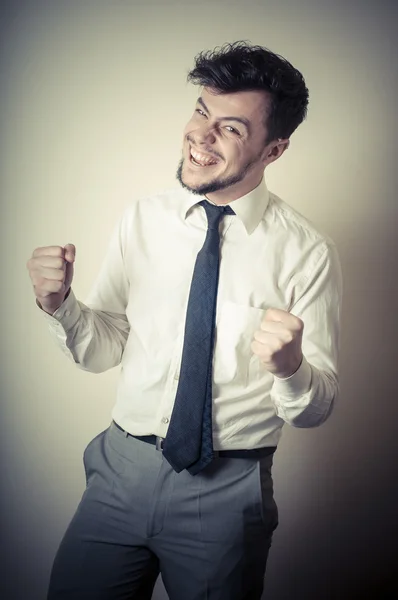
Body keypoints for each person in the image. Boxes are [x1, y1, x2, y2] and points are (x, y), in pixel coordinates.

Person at [26, 41, 342, 600]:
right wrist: (61, 307)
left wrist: (291, 367)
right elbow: (105, 348)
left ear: (275, 149)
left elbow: (316, 409)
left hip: (227, 489)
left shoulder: (307, 252)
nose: (201, 135)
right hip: (117, 472)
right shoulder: (142, 219)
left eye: (232, 128)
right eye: (201, 111)